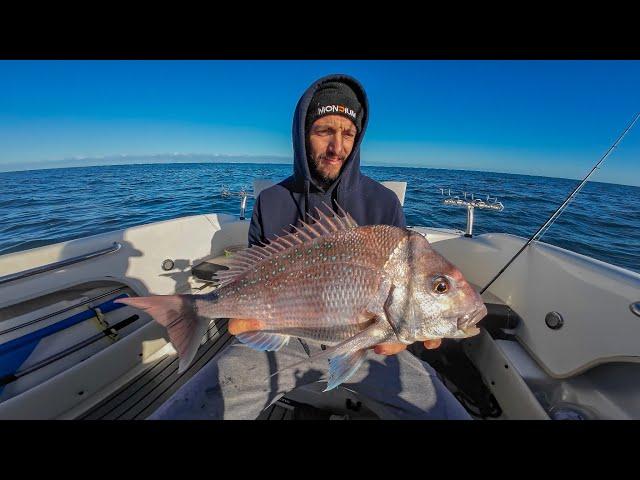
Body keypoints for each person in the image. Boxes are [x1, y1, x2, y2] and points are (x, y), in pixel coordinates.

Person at [149, 74, 471, 420]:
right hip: (283, 335)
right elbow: (254, 270)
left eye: (348, 134)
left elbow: (403, 295)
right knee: (189, 408)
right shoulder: (271, 201)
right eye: (324, 131)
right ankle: (192, 312)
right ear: (303, 136)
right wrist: (223, 307)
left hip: (369, 344)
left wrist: (404, 334)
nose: (337, 147)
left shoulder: (384, 203)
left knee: (443, 411)